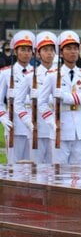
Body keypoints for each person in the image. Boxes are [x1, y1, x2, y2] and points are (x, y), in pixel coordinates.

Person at [42, 31, 81, 164]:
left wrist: (66, 97)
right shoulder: (52, 75)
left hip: (80, 128)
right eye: (69, 48)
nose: (73, 52)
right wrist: (51, 121)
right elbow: (41, 102)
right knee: (59, 170)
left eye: (75, 48)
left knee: (77, 171)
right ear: (61, 52)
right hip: (60, 125)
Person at [0, 31, 36, 163]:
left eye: (28, 50)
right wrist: (3, 117)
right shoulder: (5, 73)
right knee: (14, 166)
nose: (26, 53)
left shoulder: (38, 73)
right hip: (14, 123)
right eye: (22, 50)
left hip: (34, 124)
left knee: (34, 167)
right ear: (16, 52)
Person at [29, 31, 59, 164]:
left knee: (56, 166)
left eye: (52, 50)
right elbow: (19, 101)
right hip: (39, 125)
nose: (49, 53)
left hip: (57, 126)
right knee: (38, 166)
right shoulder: (31, 75)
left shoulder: (61, 74)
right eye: (45, 50)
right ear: (38, 53)